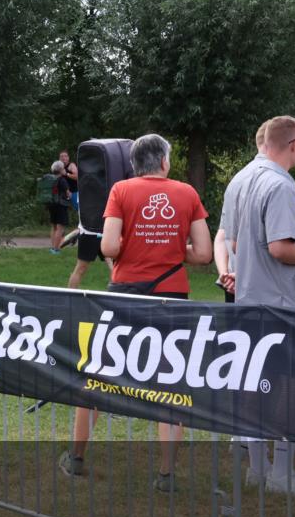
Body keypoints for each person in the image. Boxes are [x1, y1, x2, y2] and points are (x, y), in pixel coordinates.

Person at [59, 134, 211, 492]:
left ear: (134, 164)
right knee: (170, 383)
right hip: (171, 294)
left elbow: (109, 245)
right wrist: (170, 249)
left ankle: (76, 458)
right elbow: (203, 253)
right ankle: (166, 474)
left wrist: (137, 245)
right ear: (164, 162)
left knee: (96, 375)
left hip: (125, 294)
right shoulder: (187, 194)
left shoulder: (122, 191)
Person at [230, 115, 295, 498]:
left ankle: (256, 467)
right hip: (282, 303)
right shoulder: (280, 184)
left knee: (256, 384)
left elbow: (234, 243)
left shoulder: (240, 179)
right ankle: (282, 471)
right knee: (291, 386)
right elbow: (281, 247)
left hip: (249, 298)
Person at [215, 120, 270, 303]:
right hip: (262, 288)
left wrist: (225, 274)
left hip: (234, 281)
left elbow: (223, 235)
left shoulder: (237, 180)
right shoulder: (274, 183)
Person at [45, 160, 72, 254]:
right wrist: (70, 196)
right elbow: (68, 193)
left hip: (51, 205)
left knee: (53, 226)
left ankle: (52, 247)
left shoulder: (49, 179)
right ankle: (56, 249)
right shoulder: (62, 180)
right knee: (60, 227)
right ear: (61, 170)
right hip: (60, 205)